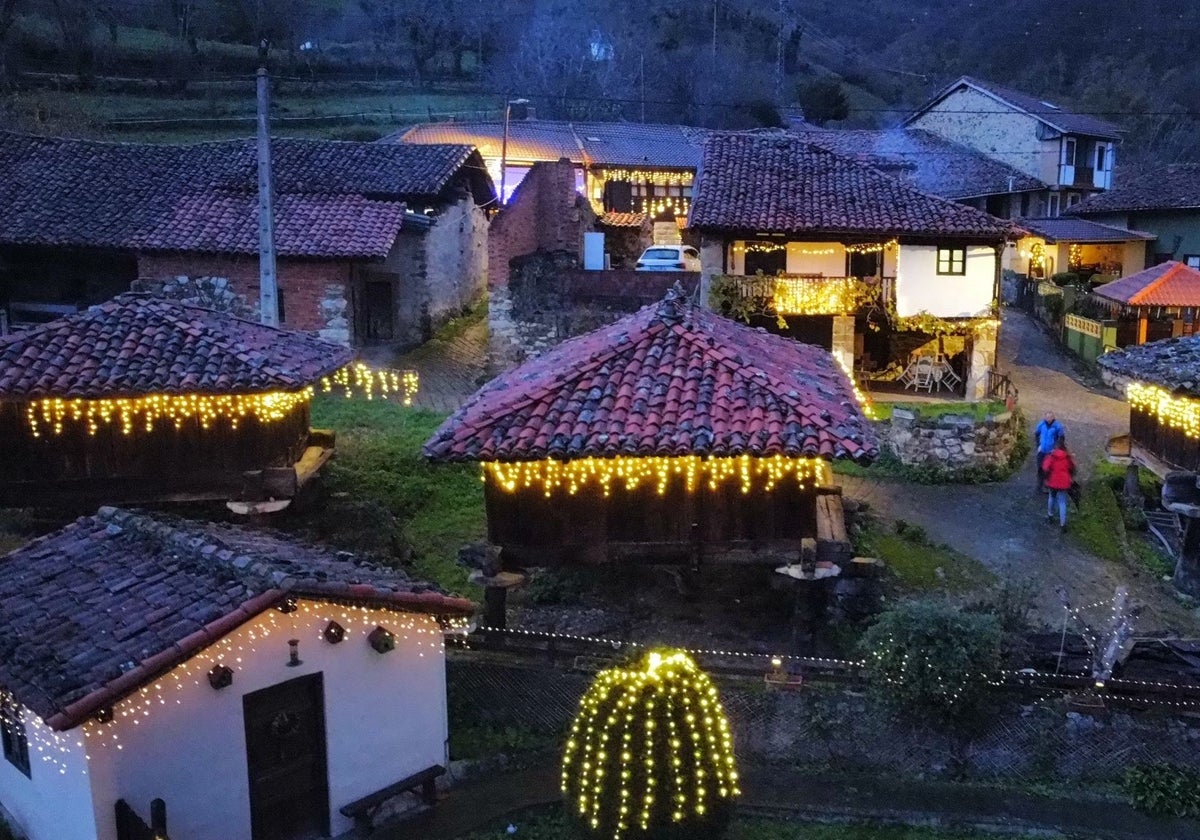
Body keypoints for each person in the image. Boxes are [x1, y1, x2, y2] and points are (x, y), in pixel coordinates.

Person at [1042, 438, 1076, 530]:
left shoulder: (1051, 456)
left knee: (1051, 498)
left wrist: (1046, 478)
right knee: (1062, 502)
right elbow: (1072, 467)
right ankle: (1063, 524)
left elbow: (1045, 467)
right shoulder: (1067, 457)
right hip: (1064, 482)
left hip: (1053, 481)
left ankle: (1050, 515)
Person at [1034, 411, 1065, 491]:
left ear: (1053, 417)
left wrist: (1056, 448)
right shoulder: (1041, 424)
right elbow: (1036, 434)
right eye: (1047, 417)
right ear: (1044, 417)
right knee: (1040, 468)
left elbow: (1061, 438)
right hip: (1042, 451)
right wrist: (1038, 445)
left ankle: (1047, 485)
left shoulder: (1057, 426)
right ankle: (1039, 485)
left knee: (1049, 469)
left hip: (1051, 452)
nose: (1048, 419)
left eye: (1050, 417)